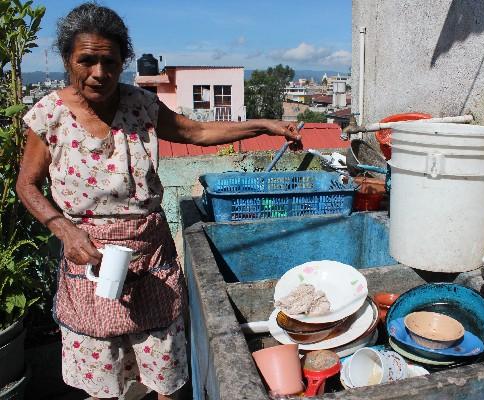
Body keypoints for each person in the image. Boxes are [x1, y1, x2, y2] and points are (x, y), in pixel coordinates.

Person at [16, 3, 301, 400]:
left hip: (150, 257)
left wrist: (264, 125)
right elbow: (26, 185)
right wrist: (64, 230)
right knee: (103, 379)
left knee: (164, 371)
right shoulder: (50, 115)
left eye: (109, 61)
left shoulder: (142, 106)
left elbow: (198, 130)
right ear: (68, 60)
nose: (99, 73)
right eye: (86, 60)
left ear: (123, 62)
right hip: (89, 259)